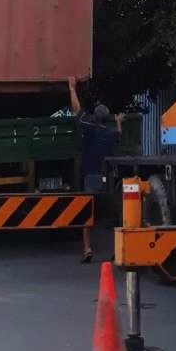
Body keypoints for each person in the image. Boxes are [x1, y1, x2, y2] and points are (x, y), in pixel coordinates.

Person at [68, 77, 121, 263]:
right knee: (113, 216)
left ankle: (87, 249)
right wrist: (119, 121)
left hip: (90, 177)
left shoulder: (89, 127)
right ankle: (117, 250)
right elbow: (119, 135)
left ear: (95, 116)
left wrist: (72, 88)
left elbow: (77, 110)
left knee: (87, 214)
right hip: (106, 179)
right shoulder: (110, 134)